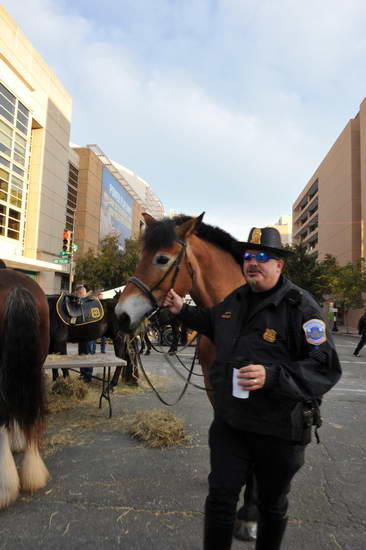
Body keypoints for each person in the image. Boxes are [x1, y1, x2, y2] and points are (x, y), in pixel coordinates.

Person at [163, 227, 342, 550]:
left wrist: (271, 376)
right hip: (232, 423)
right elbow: (213, 322)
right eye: (248, 257)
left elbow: (324, 367)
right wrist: (183, 311)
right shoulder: (237, 298)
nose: (253, 263)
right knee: (219, 500)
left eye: (263, 257)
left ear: (279, 266)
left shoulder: (300, 306)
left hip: (278, 430)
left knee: (272, 506)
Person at [74, 284, 94, 382]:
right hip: (83, 333)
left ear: (80, 293)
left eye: (77, 294)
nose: (76, 296)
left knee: (87, 353)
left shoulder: (89, 302)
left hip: (89, 333)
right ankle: (83, 374)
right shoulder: (85, 302)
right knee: (82, 353)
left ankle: (87, 376)